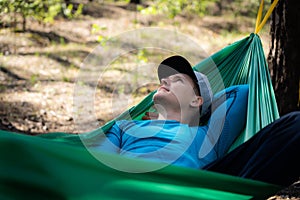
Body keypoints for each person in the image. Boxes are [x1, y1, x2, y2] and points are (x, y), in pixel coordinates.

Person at [96, 55, 300, 187]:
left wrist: (198, 113)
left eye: (177, 80)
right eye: (163, 80)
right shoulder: (125, 127)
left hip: (190, 189)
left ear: (197, 100)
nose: (165, 81)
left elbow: (243, 93)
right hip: (130, 186)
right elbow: (96, 166)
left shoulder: (208, 135)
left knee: (295, 123)